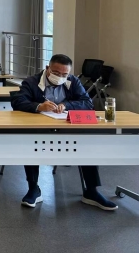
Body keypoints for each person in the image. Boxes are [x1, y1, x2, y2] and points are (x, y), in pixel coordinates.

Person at [12, 54, 118, 211]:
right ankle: (33, 188)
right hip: (39, 128)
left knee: (87, 142)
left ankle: (91, 191)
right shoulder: (32, 82)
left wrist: (67, 105)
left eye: (64, 74)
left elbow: (87, 103)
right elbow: (18, 102)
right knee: (31, 142)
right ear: (48, 69)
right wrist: (38, 106)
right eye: (56, 73)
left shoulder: (73, 81)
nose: (60, 77)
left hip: (69, 126)